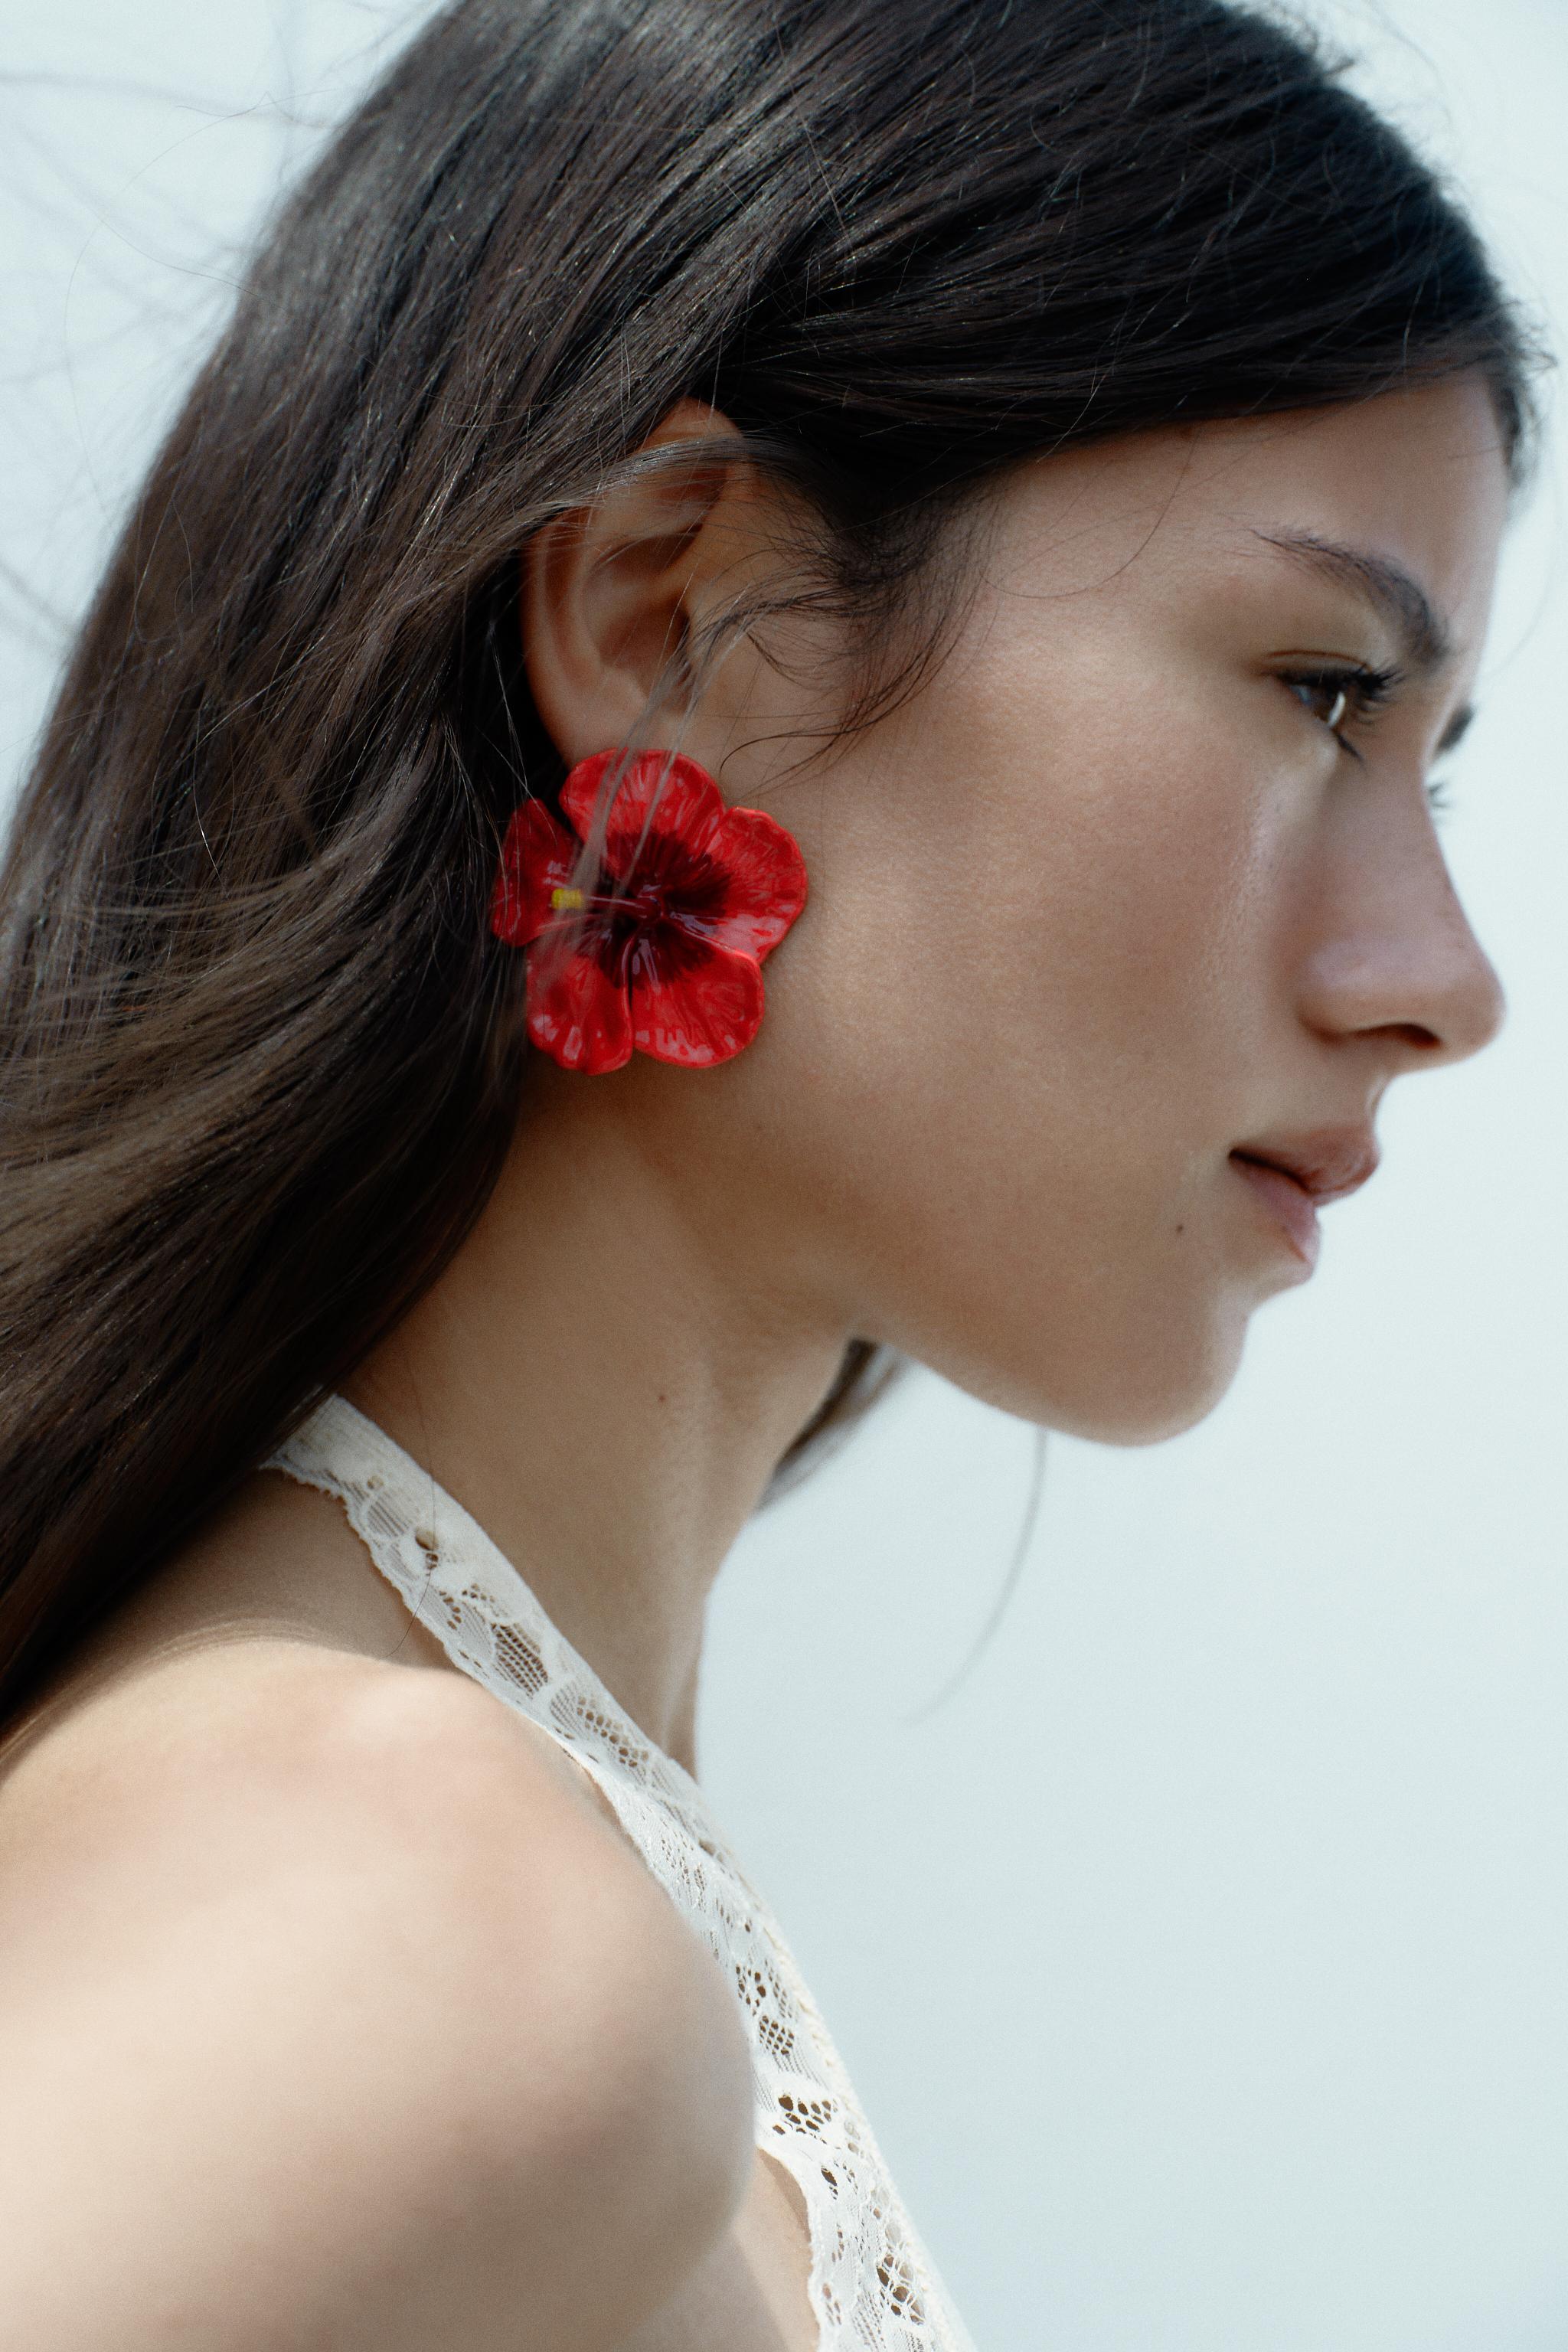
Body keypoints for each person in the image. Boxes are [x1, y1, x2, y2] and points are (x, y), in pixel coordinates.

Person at [0, 0, 1535, 2344]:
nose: (1442, 978)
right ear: (668, 615)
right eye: (1321, 690)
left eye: (1431, 766)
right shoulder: (408, 1917)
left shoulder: (484, 1865)